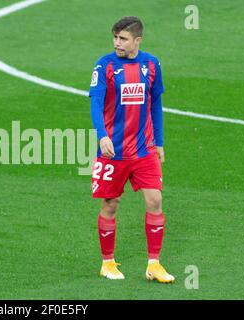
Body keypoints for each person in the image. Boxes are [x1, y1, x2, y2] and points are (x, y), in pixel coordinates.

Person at [89, 16, 175, 283]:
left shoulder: (151, 64)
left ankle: (154, 264)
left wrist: (158, 142)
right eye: (115, 37)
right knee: (111, 204)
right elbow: (95, 102)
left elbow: (156, 104)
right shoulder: (104, 65)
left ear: (138, 40)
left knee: (155, 201)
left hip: (144, 150)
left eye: (123, 38)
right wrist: (102, 136)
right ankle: (107, 262)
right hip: (113, 152)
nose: (117, 43)